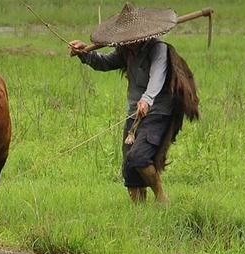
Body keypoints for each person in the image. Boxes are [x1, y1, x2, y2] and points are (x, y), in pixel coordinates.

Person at [68, 3, 199, 204]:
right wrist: (84, 54)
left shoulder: (158, 49)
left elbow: (158, 76)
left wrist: (146, 100)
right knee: (129, 170)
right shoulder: (125, 50)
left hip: (157, 111)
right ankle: (139, 214)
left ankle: (161, 197)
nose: (127, 42)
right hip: (134, 113)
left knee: (139, 157)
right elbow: (105, 64)